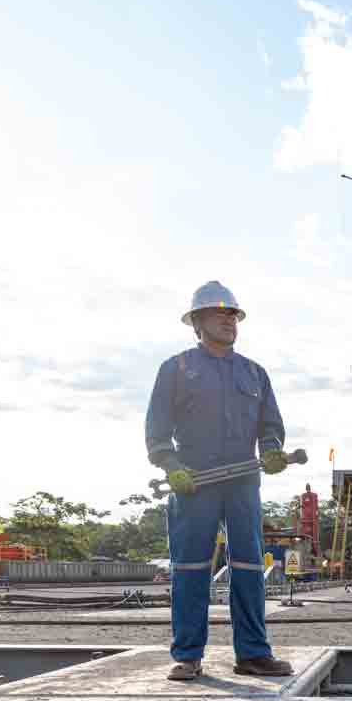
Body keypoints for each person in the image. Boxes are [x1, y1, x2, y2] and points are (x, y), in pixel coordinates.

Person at [145, 281, 294, 680]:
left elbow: (270, 425)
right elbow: (157, 431)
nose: (229, 319)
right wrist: (169, 465)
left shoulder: (254, 373)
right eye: (219, 313)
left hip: (243, 480)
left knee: (247, 565)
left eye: (233, 314)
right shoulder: (175, 369)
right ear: (198, 321)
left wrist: (273, 450)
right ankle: (187, 655)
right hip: (193, 482)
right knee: (190, 567)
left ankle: (253, 655)